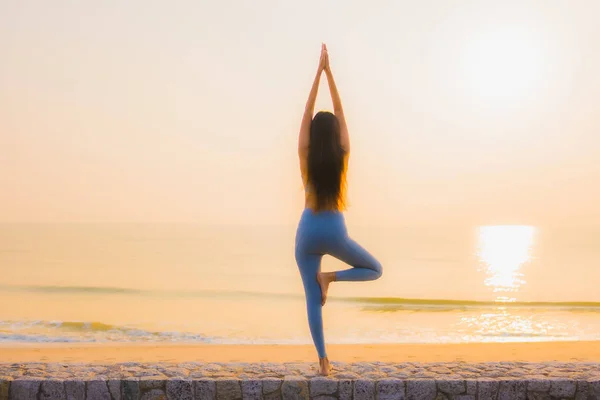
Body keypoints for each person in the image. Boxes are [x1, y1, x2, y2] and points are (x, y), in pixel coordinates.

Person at [295, 44, 383, 376]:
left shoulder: (304, 154)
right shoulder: (342, 155)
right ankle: (330, 277)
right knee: (374, 269)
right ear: (334, 137)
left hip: (307, 231)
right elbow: (341, 113)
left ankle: (322, 361)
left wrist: (316, 74)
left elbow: (306, 113)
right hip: (334, 229)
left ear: (313, 136)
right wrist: (330, 72)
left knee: (311, 298)